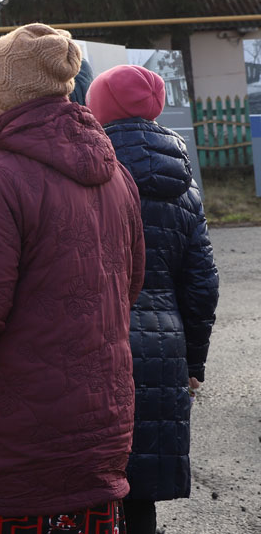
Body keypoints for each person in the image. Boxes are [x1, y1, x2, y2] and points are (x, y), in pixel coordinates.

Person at [0, 24, 146, 533]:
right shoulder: (116, 172)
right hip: (96, 430)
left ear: (1, 97)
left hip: (11, 449)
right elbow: (130, 284)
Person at [86, 64, 220, 534]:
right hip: (165, 345)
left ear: (97, 107)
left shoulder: (88, 175)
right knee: (141, 479)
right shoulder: (185, 188)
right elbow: (202, 285)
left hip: (98, 337)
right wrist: (193, 364)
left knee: (95, 471)